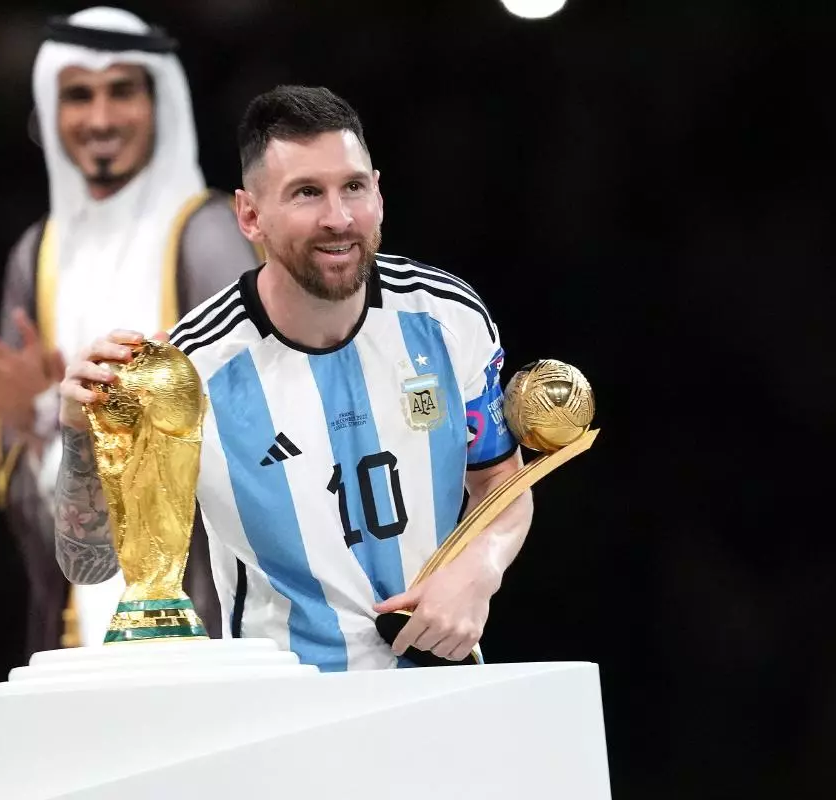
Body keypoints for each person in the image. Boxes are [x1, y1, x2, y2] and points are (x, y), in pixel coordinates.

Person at [54, 84, 534, 670]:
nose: (339, 218)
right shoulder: (188, 371)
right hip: (281, 714)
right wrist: (81, 438)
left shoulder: (447, 318)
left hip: (442, 694)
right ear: (250, 216)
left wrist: (479, 571)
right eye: (307, 193)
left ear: (378, 193)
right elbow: (91, 567)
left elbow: (502, 488)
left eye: (353, 187)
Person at [0, 6, 258, 658]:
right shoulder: (37, 255)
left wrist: (74, 424)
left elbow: (256, 440)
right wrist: (35, 423)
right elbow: (38, 516)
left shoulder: (208, 233)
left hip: (207, 621)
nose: (101, 119)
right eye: (78, 95)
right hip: (85, 630)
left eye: (122, 92)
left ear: (158, 99)